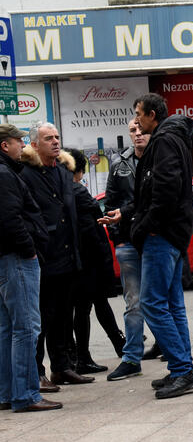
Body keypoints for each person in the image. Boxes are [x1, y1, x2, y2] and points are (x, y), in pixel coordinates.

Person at [102, 93, 193, 399]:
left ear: (153, 114)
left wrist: (145, 227)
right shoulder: (171, 138)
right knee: (171, 305)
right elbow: (150, 190)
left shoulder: (165, 141)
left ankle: (183, 371)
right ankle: (183, 368)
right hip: (167, 233)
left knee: (153, 305)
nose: (137, 122)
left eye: (139, 114)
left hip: (161, 236)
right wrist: (129, 213)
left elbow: (165, 190)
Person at [20, 123, 92, 388]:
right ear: (35, 145)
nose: (55, 141)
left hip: (68, 254)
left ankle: (61, 367)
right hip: (44, 254)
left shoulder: (63, 169)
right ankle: (37, 371)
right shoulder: (26, 172)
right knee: (42, 316)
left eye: (57, 137)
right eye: (48, 138)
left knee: (63, 314)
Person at [0, 123, 60, 413]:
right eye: (18, 141)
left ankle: (8, 393)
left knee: (7, 328)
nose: (21, 146)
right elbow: (11, 219)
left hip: (6, 258)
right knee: (25, 328)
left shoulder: (8, 172)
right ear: (5, 145)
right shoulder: (5, 174)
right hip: (16, 258)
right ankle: (26, 395)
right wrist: (30, 251)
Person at [65, 148, 125, 373]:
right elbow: (92, 228)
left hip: (79, 259)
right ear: (78, 169)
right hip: (88, 261)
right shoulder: (78, 192)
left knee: (94, 303)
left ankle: (116, 345)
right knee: (85, 307)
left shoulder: (65, 190)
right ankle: (83, 357)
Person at [104, 118, 150, 381]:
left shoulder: (160, 157)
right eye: (133, 130)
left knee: (162, 301)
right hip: (128, 242)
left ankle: (174, 353)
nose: (137, 134)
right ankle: (132, 357)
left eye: (141, 129)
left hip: (154, 239)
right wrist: (118, 238)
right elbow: (110, 202)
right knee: (133, 303)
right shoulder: (119, 163)